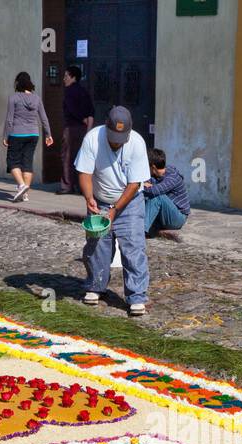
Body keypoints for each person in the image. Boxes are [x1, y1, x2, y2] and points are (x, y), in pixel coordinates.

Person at [75, 105, 151, 316]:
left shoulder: (136, 143)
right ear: (106, 128)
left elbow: (135, 183)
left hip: (130, 202)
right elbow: (84, 172)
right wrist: (89, 198)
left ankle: (136, 296)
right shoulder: (93, 139)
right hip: (99, 199)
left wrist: (116, 210)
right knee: (97, 244)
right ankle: (95, 286)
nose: (116, 142)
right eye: (113, 137)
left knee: (133, 246)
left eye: (121, 138)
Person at [2, 71, 53, 202]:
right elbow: (44, 118)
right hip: (33, 134)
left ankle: (22, 185)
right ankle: (25, 194)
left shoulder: (13, 98)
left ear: (17, 83)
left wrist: (6, 136)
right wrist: (48, 134)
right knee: (27, 162)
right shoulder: (37, 98)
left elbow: (9, 120)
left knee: (12, 161)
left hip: (17, 133)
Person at [59, 66, 94, 195]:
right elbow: (91, 111)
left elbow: (72, 109)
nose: (64, 79)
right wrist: (88, 126)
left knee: (67, 156)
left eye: (66, 76)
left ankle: (67, 186)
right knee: (81, 158)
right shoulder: (84, 91)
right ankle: (81, 186)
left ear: (73, 77)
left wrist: (81, 119)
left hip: (71, 127)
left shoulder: (69, 91)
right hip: (83, 129)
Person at [141, 148, 190, 235]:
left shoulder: (172, 177)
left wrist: (140, 186)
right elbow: (147, 183)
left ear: (153, 167)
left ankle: (141, 232)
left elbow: (153, 191)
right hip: (165, 214)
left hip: (178, 218)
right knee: (141, 197)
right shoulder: (156, 175)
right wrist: (144, 185)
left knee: (157, 197)